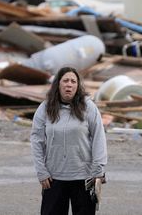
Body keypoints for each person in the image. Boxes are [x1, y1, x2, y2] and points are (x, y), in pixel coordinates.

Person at [30, 66, 107, 215]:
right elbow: (36, 140)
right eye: (65, 80)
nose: (69, 84)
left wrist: (99, 169)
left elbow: (99, 137)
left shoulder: (89, 107)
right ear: (58, 84)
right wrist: (41, 171)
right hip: (53, 177)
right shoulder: (45, 108)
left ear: (78, 85)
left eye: (73, 81)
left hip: (84, 176)